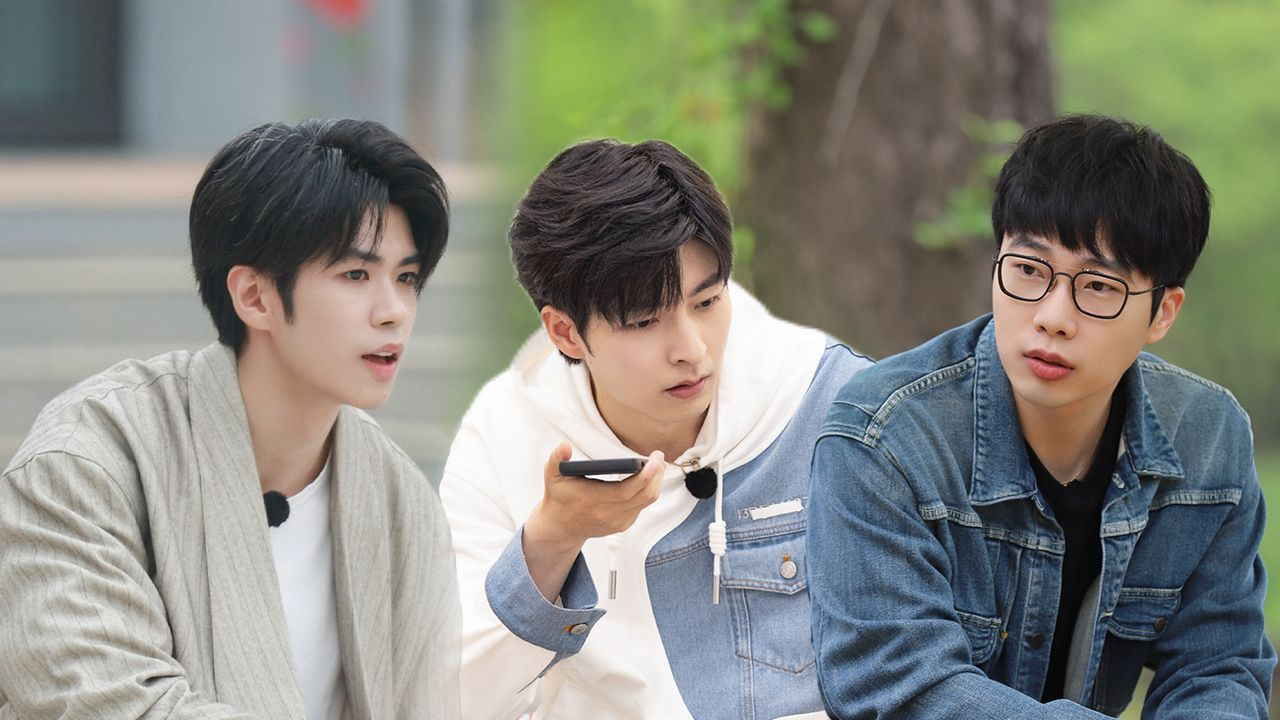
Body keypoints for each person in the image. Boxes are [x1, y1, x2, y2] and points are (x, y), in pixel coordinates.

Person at [808, 114, 1274, 718]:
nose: (1053, 317)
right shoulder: (883, 437)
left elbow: (1218, 667)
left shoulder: (1209, 439)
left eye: (1098, 286)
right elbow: (899, 683)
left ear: (1162, 313)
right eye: (1029, 270)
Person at [0, 119, 460, 719]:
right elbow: (104, 703)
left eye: (407, 278)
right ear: (254, 297)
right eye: (356, 275)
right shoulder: (88, 462)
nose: (394, 311)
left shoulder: (401, 501)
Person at [439, 139, 871, 719]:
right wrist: (552, 540)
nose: (692, 350)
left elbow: (924, 657)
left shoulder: (834, 405)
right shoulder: (504, 436)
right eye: (645, 321)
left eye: (706, 302)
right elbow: (454, 699)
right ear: (565, 333)